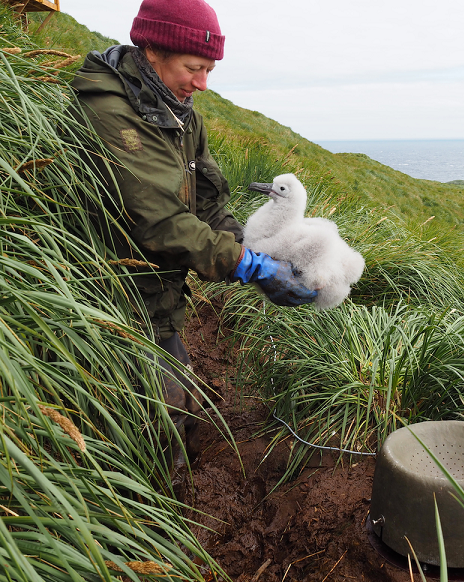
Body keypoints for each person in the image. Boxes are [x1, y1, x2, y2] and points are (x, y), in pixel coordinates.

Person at [71, 0, 316, 483]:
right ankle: (145, 513)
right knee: (147, 415)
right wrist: (243, 265)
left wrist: (253, 252)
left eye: (209, 70)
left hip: (158, 295)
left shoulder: (181, 113)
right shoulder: (109, 114)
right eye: (194, 68)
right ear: (152, 50)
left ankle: (175, 485)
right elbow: (158, 220)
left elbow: (207, 205)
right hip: (110, 296)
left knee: (178, 398)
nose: (202, 84)